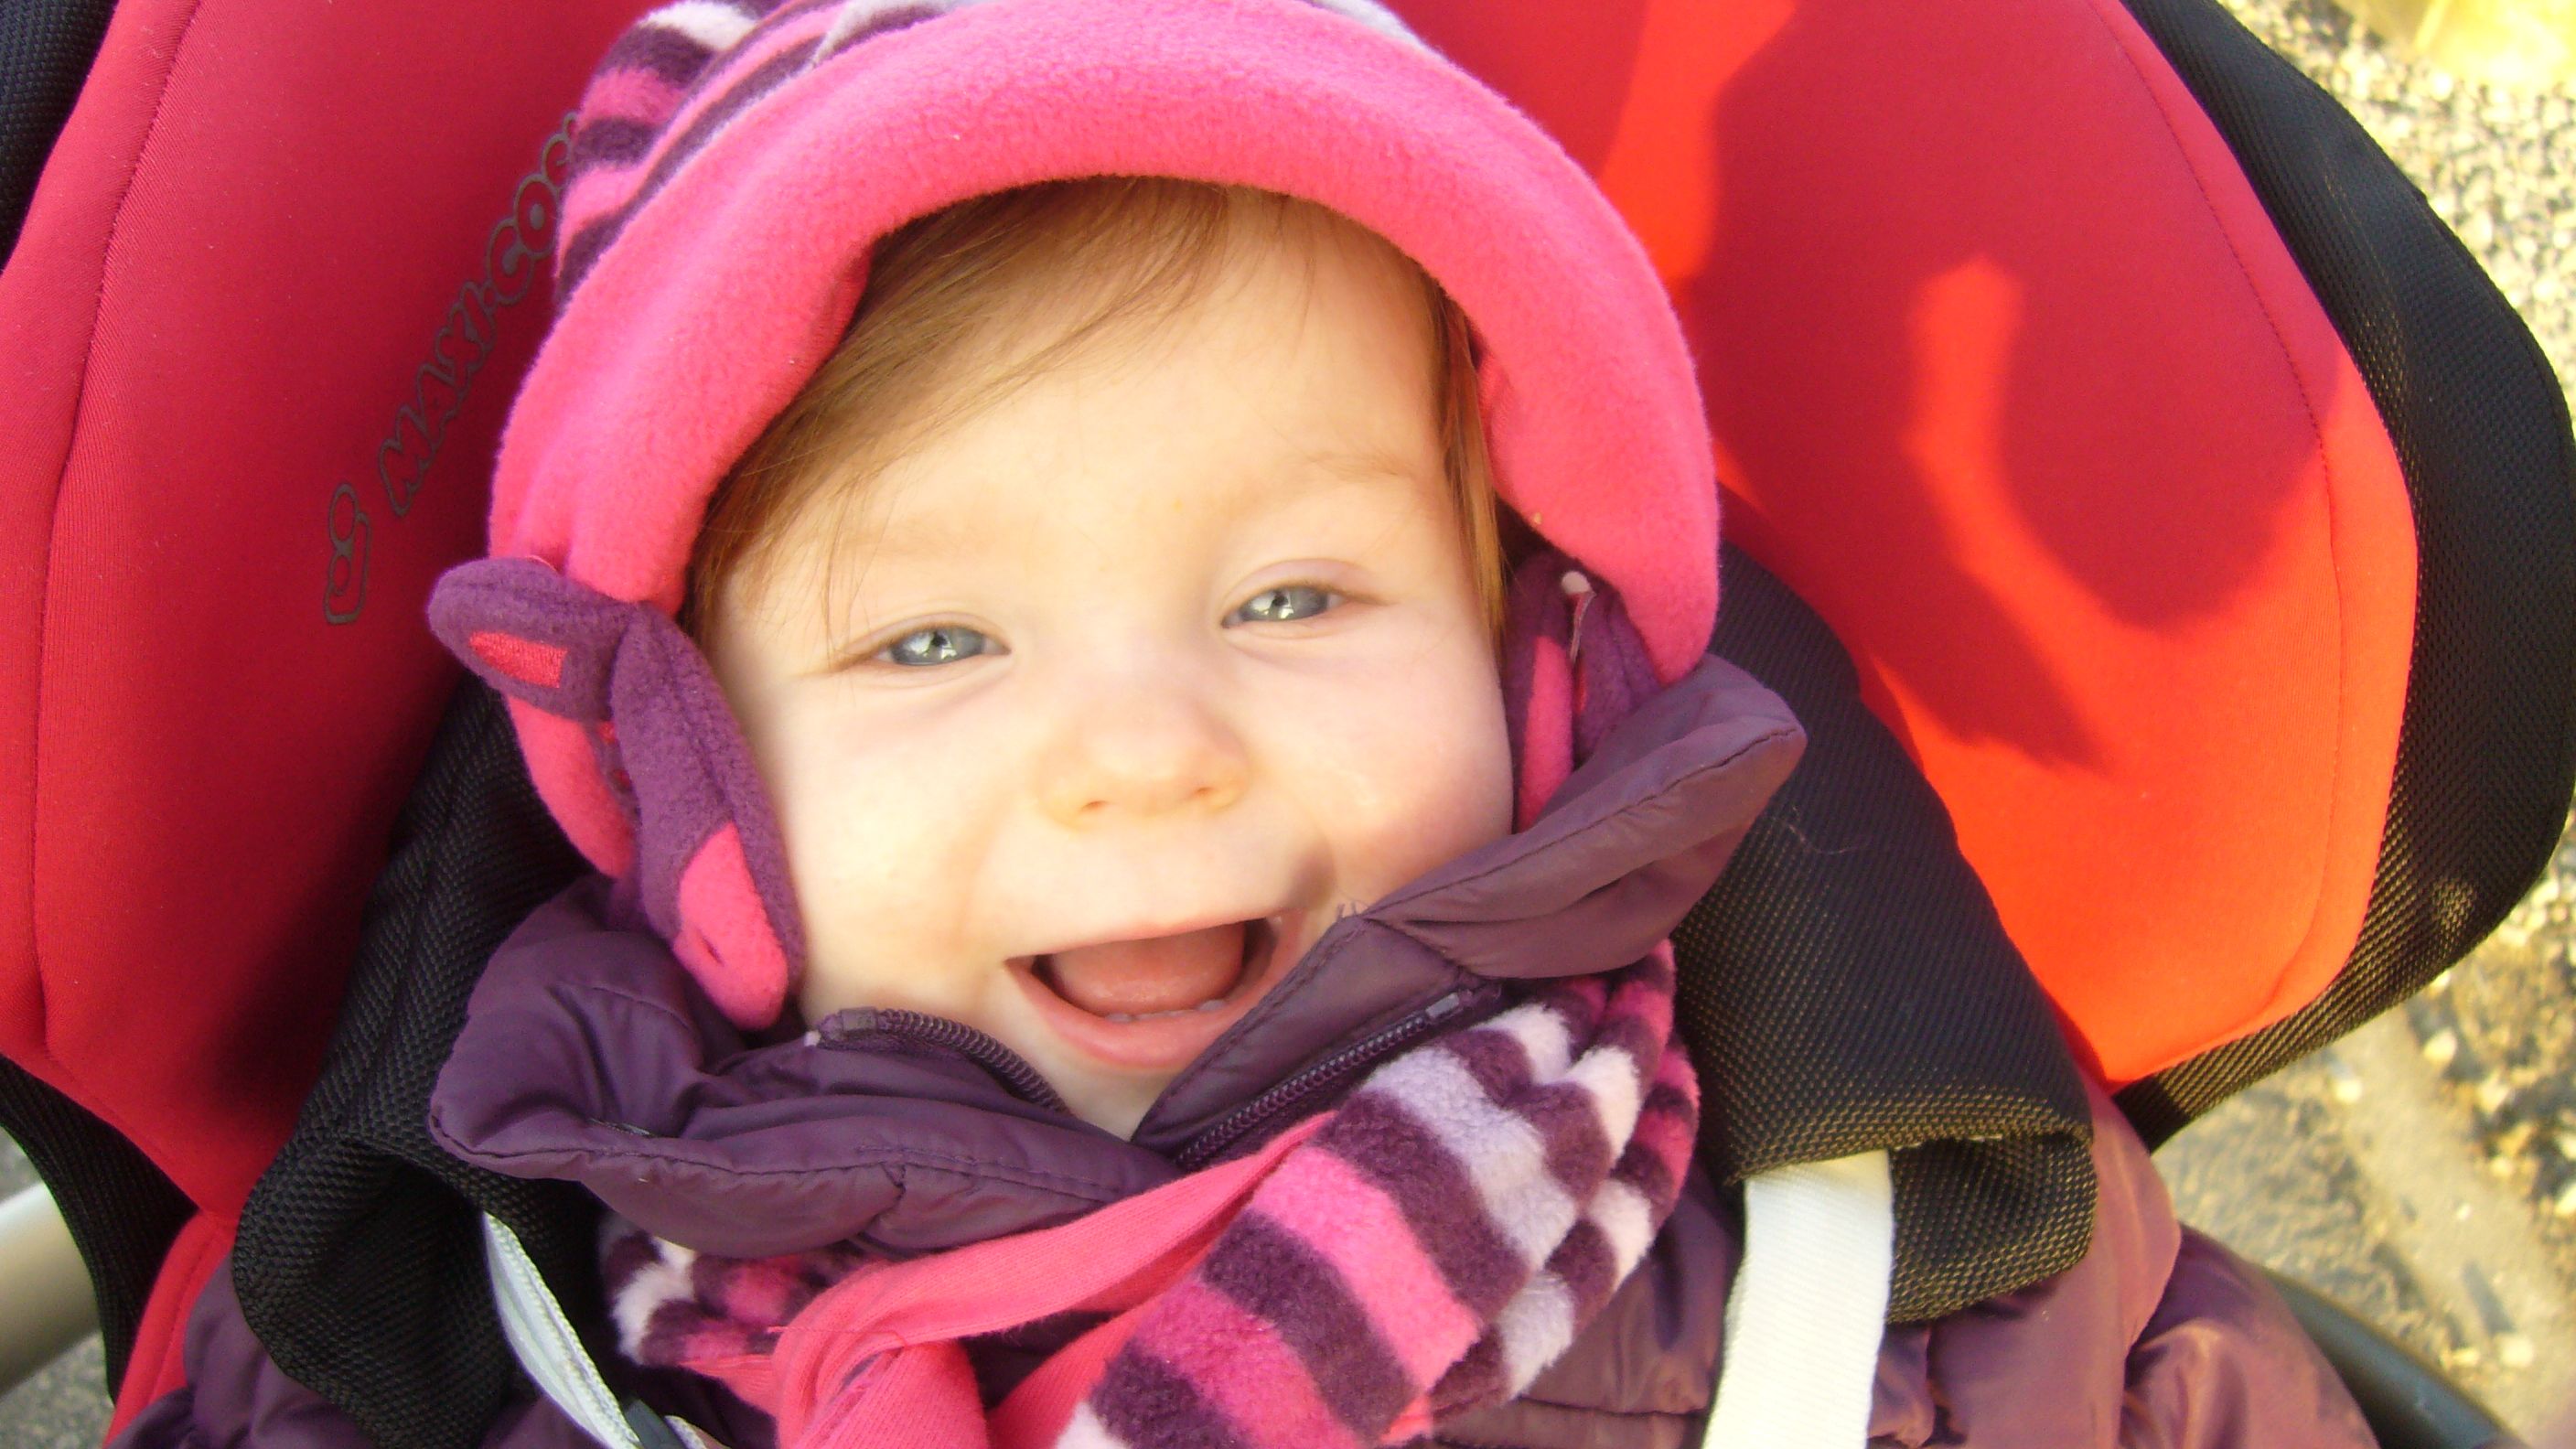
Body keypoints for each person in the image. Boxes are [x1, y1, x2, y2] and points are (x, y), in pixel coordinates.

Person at [113, 1, 2386, 1445]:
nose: (1144, 749)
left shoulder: (1915, 1280)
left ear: (1531, 660)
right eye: (931, 642)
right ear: (692, 789)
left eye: (1292, 596)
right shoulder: (459, 1321)